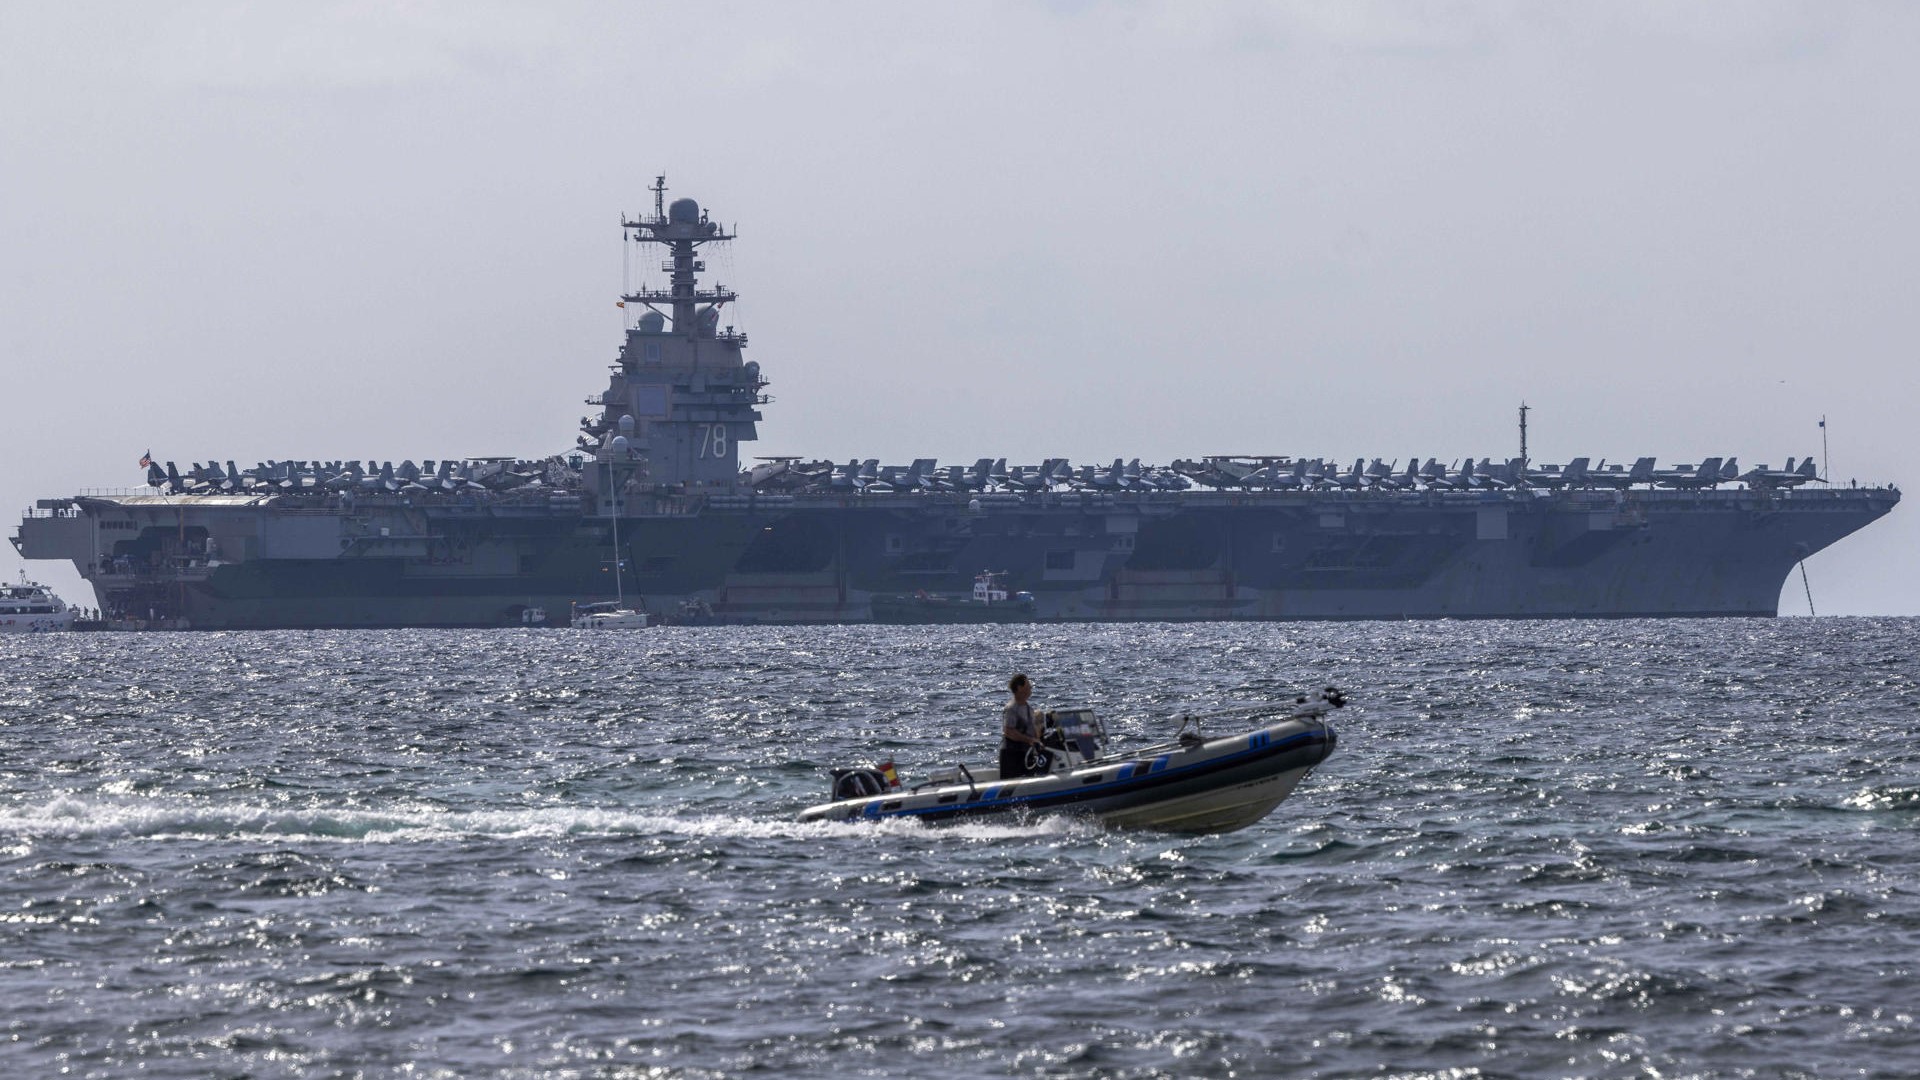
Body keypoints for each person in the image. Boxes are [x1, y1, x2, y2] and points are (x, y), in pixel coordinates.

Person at [999, 673, 1050, 779]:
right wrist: (1029, 739)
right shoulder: (1011, 708)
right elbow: (1009, 731)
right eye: (1028, 686)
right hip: (1012, 754)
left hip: (1026, 753)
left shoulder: (1028, 709)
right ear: (1019, 688)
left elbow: (1032, 731)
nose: (1031, 688)